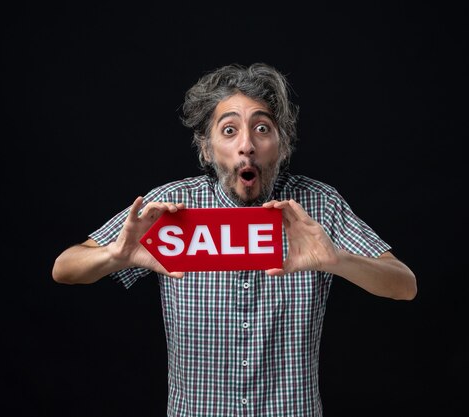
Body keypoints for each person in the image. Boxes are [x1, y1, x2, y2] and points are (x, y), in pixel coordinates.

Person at [52, 62, 417, 416]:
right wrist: (116, 256)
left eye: (262, 129)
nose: (247, 145)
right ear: (207, 149)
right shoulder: (170, 209)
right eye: (229, 130)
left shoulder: (318, 206)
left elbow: (404, 284)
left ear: (283, 144)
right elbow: (65, 268)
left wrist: (338, 261)